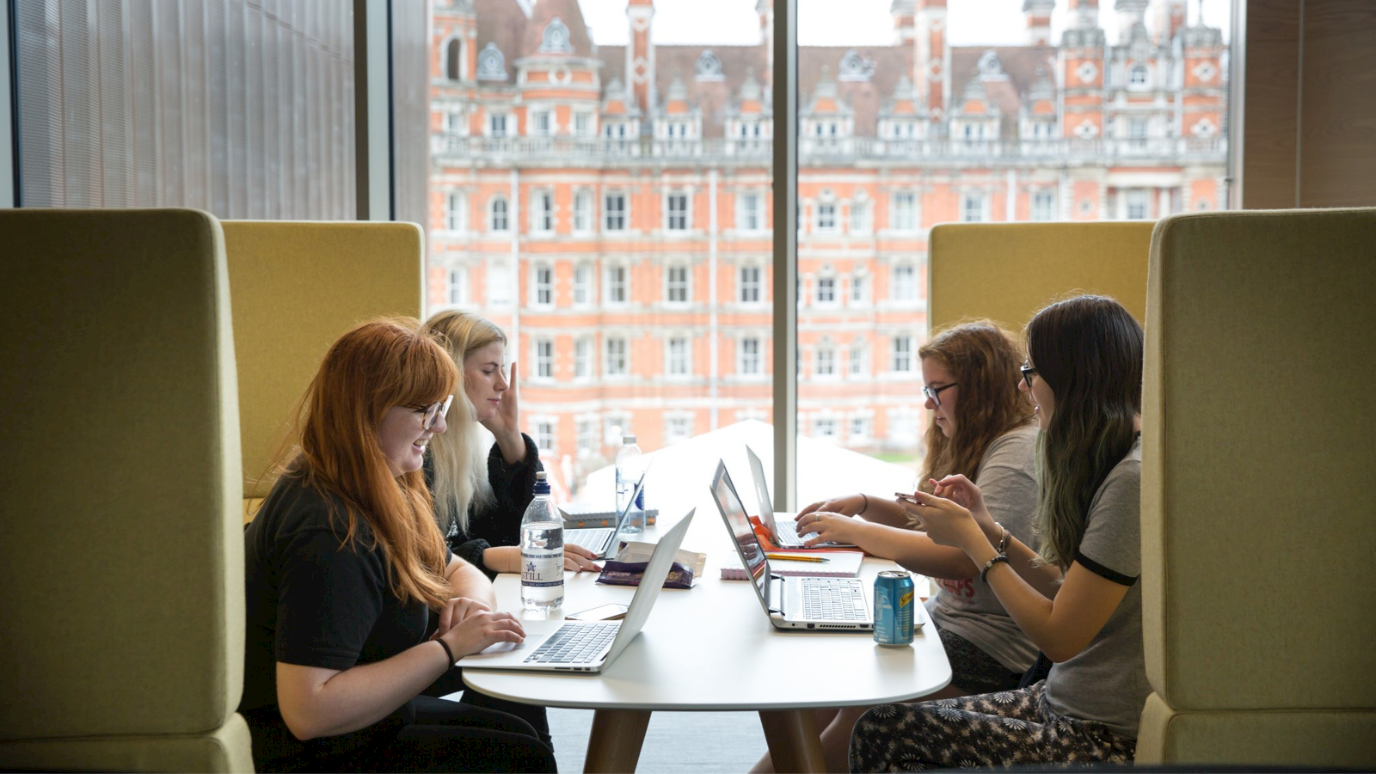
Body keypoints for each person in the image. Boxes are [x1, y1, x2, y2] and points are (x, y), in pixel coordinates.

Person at [239, 318, 556, 773]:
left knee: (516, 727)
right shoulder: (330, 528)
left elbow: (453, 566)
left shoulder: (381, 480)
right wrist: (449, 648)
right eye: (425, 411)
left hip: (359, 727)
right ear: (368, 411)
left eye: (441, 407)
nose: (441, 425)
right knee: (521, 757)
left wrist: (472, 605)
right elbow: (309, 712)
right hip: (308, 750)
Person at [850, 295, 1145, 770]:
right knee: (877, 718)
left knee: (885, 731)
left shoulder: (1129, 481)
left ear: (1070, 377)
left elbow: (1060, 639)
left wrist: (975, 542)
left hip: (1100, 732)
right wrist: (991, 530)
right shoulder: (1118, 461)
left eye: (1032, 374)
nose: (1027, 390)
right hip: (1061, 702)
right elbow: (1068, 591)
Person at [752, 321, 1040, 774]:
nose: (929, 402)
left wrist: (857, 532)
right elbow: (933, 526)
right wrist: (867, 506)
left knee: (857, 701)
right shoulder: (981, 443)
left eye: (937, 389)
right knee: (812, 693)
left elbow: (967, 556)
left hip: (990, 652)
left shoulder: (1017, 452)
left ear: (979, 388)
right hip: (951, 625)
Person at [421, 309, 599, 575]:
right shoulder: (416, 452)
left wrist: (508, 435)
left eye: (502, 370)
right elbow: (422, 560)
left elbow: (511, 532)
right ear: (451, 374)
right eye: (489, 371)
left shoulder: (460, 448)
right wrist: (499, 558)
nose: (503, 384)